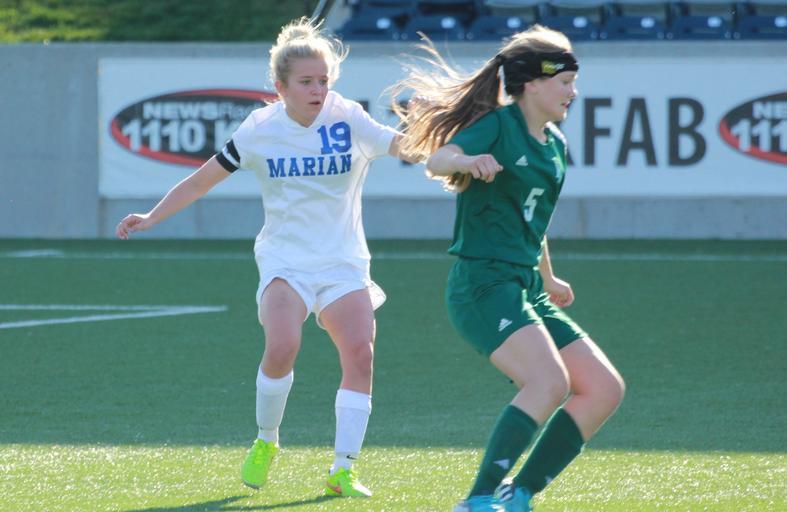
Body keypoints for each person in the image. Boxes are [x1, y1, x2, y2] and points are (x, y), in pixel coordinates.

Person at [116, 17, 417, 498]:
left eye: (323, 80)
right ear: (281, 87)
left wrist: (449, 148)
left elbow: (405, 147)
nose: (318, 89)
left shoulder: (348, 117)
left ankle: (343, 468)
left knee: (361, 354)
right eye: (306, 81)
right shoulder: (260, 129)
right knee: (282, 347)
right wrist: (153, 216)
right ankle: (267, 440)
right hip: (285, 260)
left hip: (342, 262)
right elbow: (201, 179)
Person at [392, 25, 625, 511]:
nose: (573, 92)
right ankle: (477, 500)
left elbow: (532, 223)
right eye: (565, 82)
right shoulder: (498, 126)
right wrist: (467, 161)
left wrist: (548, 276)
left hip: (525, 285)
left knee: (603, 389)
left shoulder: (555, 145)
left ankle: (517, 495)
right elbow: (439, 160)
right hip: (482, 284)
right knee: (549, 383)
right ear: (532, 84)